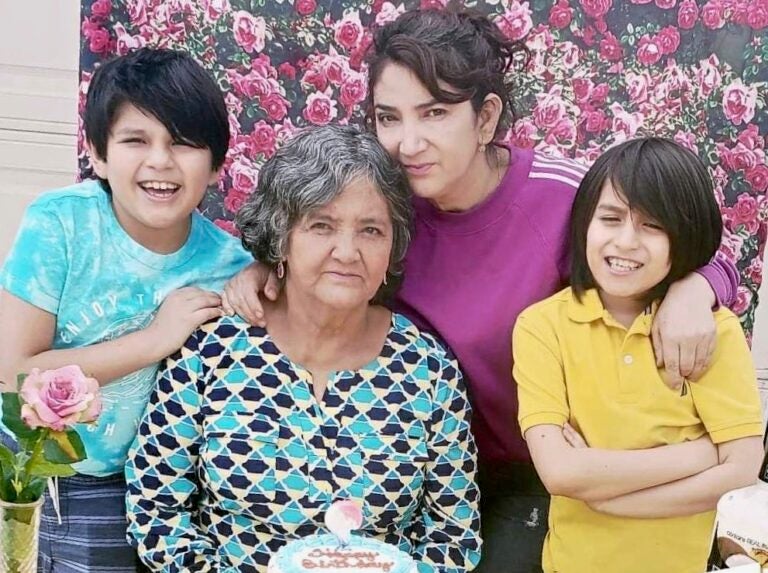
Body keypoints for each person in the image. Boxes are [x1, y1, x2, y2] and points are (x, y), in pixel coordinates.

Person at [221, 9, 739, 572]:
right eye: (388, 118)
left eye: (435, 113)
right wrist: (267, 270)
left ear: (486, 116)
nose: (408, 143)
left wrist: (695, 288)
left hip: (564, 475)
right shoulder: (380, 212)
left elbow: (679, 244)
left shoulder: (562, 199)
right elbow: (313, 255)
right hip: (426, 478)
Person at [124, 124, 482, 572]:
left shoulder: (429, 371)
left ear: (394, 246)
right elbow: (156, 511)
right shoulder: (209, 351)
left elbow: (454, 536)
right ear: (282, 237)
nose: (347, 252)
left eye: (371, 230)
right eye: (321, 226)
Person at [0, 48, 252, 572]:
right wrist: (154, 341)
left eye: (183, 143)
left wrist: (263, 274)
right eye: (136, 140)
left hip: (146, 493)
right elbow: (13, 373)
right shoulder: (61, 224)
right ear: (97, 153)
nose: (160, 161)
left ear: (216, 166)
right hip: (37, 473)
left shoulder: (229, 263)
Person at [514, 137, 764, 573]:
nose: (626, 241)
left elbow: (742, 470)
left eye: (653, 226)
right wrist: (702, 454)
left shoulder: (711, 332)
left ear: (685, 235)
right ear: (584, 226)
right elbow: (559, 472)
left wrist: (609, 499)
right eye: (610, 218)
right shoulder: (542, 327)